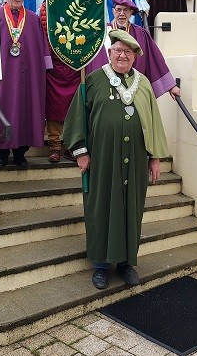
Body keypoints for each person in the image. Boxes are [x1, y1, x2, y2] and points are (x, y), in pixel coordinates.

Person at [64, 29, 169, 289]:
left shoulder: (143, 84)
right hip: (102, 159)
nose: (122, 55)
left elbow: (153, 122)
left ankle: (125, 263)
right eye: (118, 50)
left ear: (135, 57)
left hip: (135, 161)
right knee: (101, 207)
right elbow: (77, 119)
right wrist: (81, 152)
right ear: (109, 53)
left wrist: (154, 158)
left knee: (130, 209)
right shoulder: (93, 81)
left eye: (128, 51)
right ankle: (100, 265)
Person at [0, 0, 53, 168]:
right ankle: (2, 154)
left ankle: (21, 153)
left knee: (28, 110)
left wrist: (44, 69)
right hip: (3, 77)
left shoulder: (33, 18)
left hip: (30, 75)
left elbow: (42, 46)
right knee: (3, 111)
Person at [86, 0, 180, 99]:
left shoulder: (140, 34)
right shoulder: (100, 33)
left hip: (133, 89)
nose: (122, 14)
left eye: (126, 10)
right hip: (105, 89)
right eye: (119, 9)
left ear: (131, 13)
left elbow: (154, 59)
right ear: (113, 11)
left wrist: (171, 86)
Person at [40, 0, 80, 163]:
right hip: (54, 60)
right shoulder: (46, 5)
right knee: (54, 105)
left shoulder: (75, 3)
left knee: (74, 107)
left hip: (73, 59)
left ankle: (72, 145)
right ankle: (55, 144)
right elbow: (44, 28)